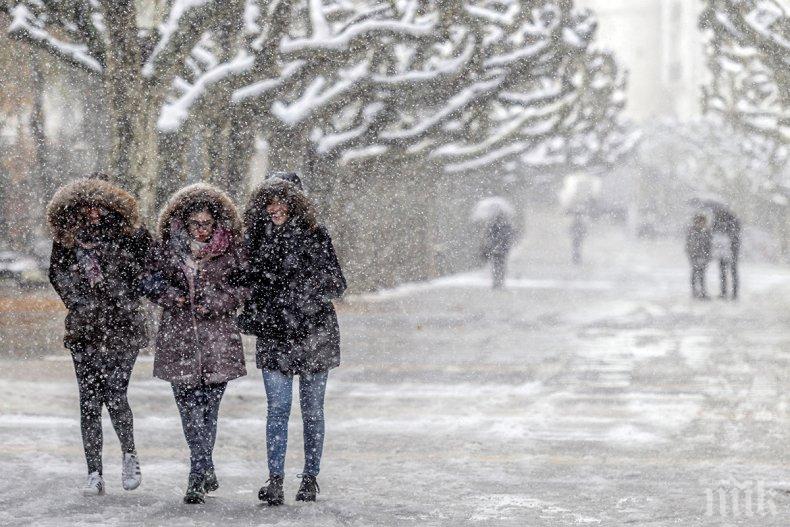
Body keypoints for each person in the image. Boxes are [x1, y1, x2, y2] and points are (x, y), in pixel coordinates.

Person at [237, 176, 346, 506]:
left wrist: (304, 293)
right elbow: (244, 282)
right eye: (269, 201)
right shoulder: (254, 238)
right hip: (274, 335)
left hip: (315, 334)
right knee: (278, 409)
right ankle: (275, 480)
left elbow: (337, 284)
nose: (276, 208)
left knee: (312, 411)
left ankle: (310, 479)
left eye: (282, 201)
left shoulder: (316, 235)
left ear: (296, 202)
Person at [47, 177, 150, 496]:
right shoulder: (68, 237)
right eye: (87, 204)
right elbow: (57, 274)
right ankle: (94, 472)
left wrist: (123, 295)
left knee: (116, 394)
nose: (93, 210)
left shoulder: (131, 234)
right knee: (89, 402)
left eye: (99, 204)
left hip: (124, 328)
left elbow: (147, 270)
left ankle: (130, 454)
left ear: (111, 204)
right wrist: (80, 300)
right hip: (84, 330)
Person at [146, 183, 247, 504]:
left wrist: (219, 301)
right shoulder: (167, 250)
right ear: (183, 223)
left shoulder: (231, 249)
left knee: (208, 413)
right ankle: (200, 469)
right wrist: (173, 297)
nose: (201, 230)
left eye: (207, 223)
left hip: (218, 343)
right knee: (189, 413)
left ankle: (200, 469)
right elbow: (149, 281)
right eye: (195, 224)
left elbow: (246, 287)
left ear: (216, 223)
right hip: (178, 342)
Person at [481, 211, 516, 289]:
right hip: (503, 249)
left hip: (495, 249)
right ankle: (500, 281)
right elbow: (511, 236)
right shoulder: (507, 225)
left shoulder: (492, 225)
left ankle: (496, 281)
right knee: (501, 265)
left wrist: (491, 244)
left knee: (496, 265)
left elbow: (488, 236)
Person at [685, 213, 712, 300]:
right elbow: (689, 244)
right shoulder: (692, 231)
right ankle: (695, 292)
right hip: (695, 256)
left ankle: (702, 291)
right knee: (695, 273)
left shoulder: (707, 232)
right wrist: (692, 254)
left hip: (703, 256)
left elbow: (709, 245)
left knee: (702, 274)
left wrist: (707, 256)